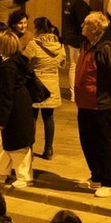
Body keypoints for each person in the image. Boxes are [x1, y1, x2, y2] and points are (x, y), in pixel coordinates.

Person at [73, 13, 111, 196]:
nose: (82, 24)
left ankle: (108, 181)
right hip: (84, 103)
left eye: (86, 23)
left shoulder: (108, 49)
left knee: (102, 143)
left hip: (100, 104)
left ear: (96, 29)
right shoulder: (86, 44)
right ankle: (96, 177)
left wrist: (110, 91)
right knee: (87, 142)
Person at [0, 29, 47, 187]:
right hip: (20, 106)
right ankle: (0, 173)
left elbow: (6, 95)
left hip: (14, 110)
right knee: (4, 142)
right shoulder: (18, 61)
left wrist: (1, 119)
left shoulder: (7, 67)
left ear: (3, 46)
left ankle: (25, 177)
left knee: (18, 144)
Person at [26, 17, 69, 161]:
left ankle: (29, 148)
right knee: (48, 118)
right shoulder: (59, 45)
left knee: (31, 117)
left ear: (38, 29)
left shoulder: (33, 44)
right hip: (52, 84)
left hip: (35, 84)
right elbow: (62, 64)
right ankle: (48, 148)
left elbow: (25, 61)